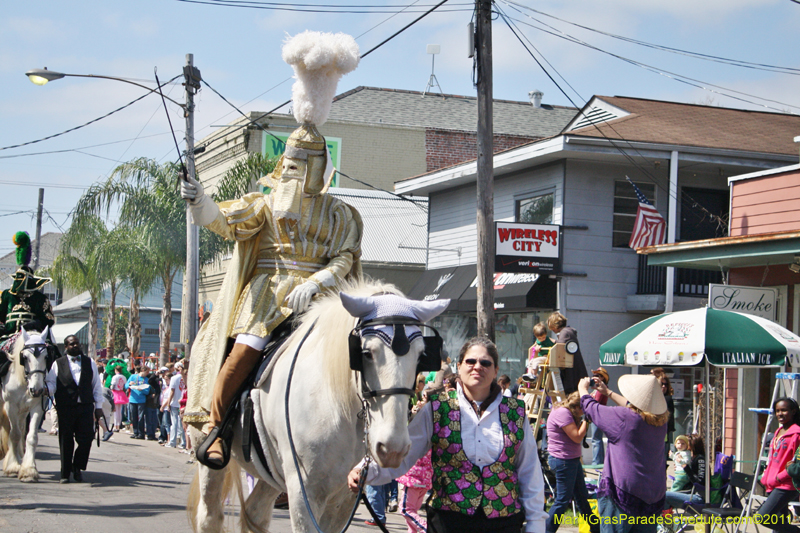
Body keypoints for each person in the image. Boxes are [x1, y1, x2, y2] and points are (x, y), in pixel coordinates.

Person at [180, 48, 363, 468]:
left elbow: (345, 257)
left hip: (319, 300)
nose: (298, 165)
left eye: (308, 160)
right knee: (245, 352)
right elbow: (224, 221)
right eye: (293, 158)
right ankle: (216, 428)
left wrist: (317, 283)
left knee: (357, 359)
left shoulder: (341, 213)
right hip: (264, 298)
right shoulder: (262, 204)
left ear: (323, 166)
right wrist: (199, 200)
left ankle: (354, 445)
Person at [348, 336, 547, 533]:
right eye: (471, 361)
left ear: (496, 371)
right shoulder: (437, 408)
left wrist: (536, 524)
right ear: (459, 366)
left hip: (503, 523)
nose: (478, 366)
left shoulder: (516, 412)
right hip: (448, 522)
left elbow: (530, 472)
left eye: (486, 363)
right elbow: (403, 455)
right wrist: (365, 471)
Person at [578, 374, 668, 533]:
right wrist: (608, 393)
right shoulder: (661, 422)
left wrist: (582, 389)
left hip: (623, 494)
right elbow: (636, 408)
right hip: (653, 494)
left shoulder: (624, 418)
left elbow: (592, 409)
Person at [44, 335, 104, 483]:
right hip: (65, 407)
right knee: (66, 440)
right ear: (66, 347)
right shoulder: (57, 364)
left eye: (77, 343)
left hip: (85, 406)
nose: (75, 346)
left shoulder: (89, 362)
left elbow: (96, 386)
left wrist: (99, 407)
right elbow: (52, 384)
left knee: (87, 439)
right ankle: (65, 473)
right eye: (72, 344)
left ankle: (77, 466)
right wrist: (46, 390)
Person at [546, 391, 598, 533]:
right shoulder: (563, 413)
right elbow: (576, 437)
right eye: (583, 410)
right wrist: (586, 421)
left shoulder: (565, 411)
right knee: (562, 501)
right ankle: (547, 530)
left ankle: (596, 528)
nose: (583, 413)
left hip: (571, 460)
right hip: (563, 461)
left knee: (582, 498)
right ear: (577, 407)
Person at [755, 397, 800, 533]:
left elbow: (795, 463)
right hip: (773, 484)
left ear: (793, 411)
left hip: (786, 484)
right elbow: (774, 458)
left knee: (763, 517)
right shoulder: (778, 431)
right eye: (777, 411)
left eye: (784, 410)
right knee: (778, 523)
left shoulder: (797, 434)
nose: (780, 413)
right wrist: (766, 476)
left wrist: (780, 477)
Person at [0, 231, 55, 338]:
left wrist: (36, 324)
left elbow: (49, 319)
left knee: (50, 349)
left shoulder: (40, 298)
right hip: (8, 334)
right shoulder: (7, 295)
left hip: (32, 335)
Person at [547, 313, 588, 395]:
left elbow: (560, 348)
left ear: (555, 325)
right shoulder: (568, 332)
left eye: (552, 328)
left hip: (572, 374)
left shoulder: (565, 333)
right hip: (575, 373)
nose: (552, 330)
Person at [664, 434, 708, 508]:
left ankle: (663, 517)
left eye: (685, 442)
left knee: (665, 495)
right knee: (661, 495)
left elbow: (700, 481)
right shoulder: (691, 458)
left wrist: (686, 468)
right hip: (689, 492)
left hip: (698, 497)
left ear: (692, 445)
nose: (682, 445)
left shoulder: (700, 459)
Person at [651, 368, 675, 464]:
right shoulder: (653, 398)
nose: (664, 386)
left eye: (666, 384)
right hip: (653, 431)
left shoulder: (667, 399)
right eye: (662, 384)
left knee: (661, 458)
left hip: (663, 431)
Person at [162, 361, 187, 449]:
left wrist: (168, 403)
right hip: (183, 403)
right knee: (182, 424)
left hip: (175, 403)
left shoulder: (174, 378)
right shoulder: (186, 377)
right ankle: (183, 442)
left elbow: (172, 391)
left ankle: (172, 442)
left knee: (174, 423)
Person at [589, 368, 610, 466]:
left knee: (596, 439)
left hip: (598, 415)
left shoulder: (602, 388)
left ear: (602, 377)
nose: (594, 377)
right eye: (594, 375)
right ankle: (599, 461)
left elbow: (595, 402)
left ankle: (596, 462)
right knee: (597, 439)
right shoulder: (598, 388)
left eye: (597, 375)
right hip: (597, 414)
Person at [125, 366, 150, 440]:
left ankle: (141, 433)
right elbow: (126, 386)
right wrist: (130, 384)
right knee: (134, 417)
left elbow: (147, 391)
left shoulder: (146, 380)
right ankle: (135, 432)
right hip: (133, 399)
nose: (147, 373)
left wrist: (141, 389)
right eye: (147, 372)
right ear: (142, 370)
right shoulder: (133, 377)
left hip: (141, 400)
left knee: (141, 417)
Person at [144, 365, 161, 441]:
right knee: (149, 421)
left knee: (154, 421)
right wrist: (151, 396)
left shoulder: (158, 386)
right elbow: (150, 380)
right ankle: (149, 434)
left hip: (155, 405)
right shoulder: (149, 385)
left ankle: (153, 434)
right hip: (149, 405)